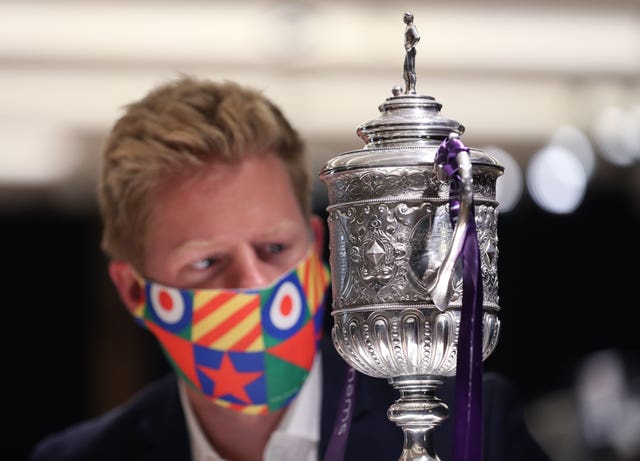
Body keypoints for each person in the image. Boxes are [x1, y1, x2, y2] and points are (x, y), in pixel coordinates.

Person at [29, 75, 552, 461]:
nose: (255, 283)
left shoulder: (472, 425)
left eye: (275, 248)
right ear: (135, 293)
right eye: (207, 262)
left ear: (319, 247)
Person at [403, 11, 420, 94]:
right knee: (405, 71)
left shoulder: (411, 26)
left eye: (406, 16)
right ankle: (407, 88)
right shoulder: (408, 27)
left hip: (410, 51)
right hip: (408, 51)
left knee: (410, 70)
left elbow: (417, 36)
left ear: (410, 18)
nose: (404, 18)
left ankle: (412, 89)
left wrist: (411, 46)